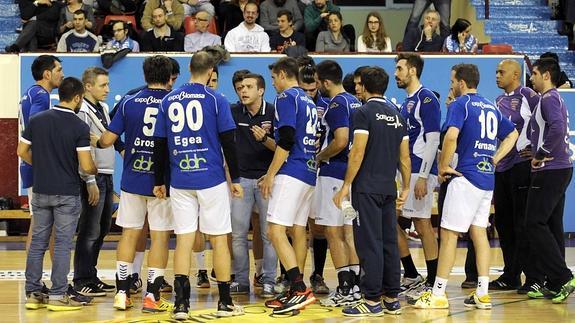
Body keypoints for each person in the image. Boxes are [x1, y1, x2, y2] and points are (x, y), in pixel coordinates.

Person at [414, 63, 518, 309]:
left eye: (452, 81)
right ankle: (482, 293)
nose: (451, 85)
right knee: (479, 233)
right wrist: (494, 158)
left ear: (461, 82)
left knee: (448, 234)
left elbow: (450, 137)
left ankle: (437, 293)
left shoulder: (461, 104)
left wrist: (442, 166)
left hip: (465, 176)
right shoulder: (491, 105)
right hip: (486, 179)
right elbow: (512, 135)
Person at [153, 51, 245, 319]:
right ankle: (225, 303)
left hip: (180, 179)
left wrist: (159, 181)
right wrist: (236, 180)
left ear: (189, 68)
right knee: (218, 241)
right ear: (210, 72)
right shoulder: (216, 99)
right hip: (211, 178)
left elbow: (160, 144)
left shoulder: (169, 99)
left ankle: (181, 305)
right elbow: (229, 141)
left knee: (183, 240)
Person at [94, 56, 175, 312]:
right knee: (160, 237)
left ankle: (122, 293)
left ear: (145, 75)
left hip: (132, 178)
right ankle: (152, 295)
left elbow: (108, 140)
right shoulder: (173, 102)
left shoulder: (129, 101)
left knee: (129, 234)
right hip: (162, 182)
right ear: (170, 77)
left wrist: (95, 140)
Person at [333, 66, 409, 316]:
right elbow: (404, 157)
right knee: (389, 242)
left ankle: (373, 300)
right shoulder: (398, 114)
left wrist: (345, 186)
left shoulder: (364, 112)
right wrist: (406, 186)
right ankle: (392, 298)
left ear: (364, 86)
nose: (356, 88)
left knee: (369, 243)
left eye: (358, 84)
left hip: (366, 188)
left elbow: (358, 151)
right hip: (389, 186)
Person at [20, 76, 97, 311]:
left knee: (38, 244)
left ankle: (33, 293)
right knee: (62, 244)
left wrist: (42, 166)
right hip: (67, 192)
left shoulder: (37, 120)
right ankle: (57, 295)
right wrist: (94, 168)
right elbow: (85, 166)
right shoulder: (79, 126)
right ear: (77, 98)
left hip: (41, 190)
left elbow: (21, 150)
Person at [259, 57, 317, 314]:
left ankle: (299, 288)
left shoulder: (286, 98)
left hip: (292, 170)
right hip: (309, 172)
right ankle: (297, 290)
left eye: (273, 78)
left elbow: (287, 139)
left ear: (283, 74)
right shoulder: (308, 99)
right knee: (296, 230)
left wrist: (271, 174)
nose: (273, 84)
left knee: (275, 231)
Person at [524, 58, 575, 303]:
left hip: (550, 168)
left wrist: (540, 154)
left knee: (533, 223)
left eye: (534, 73)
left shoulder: (548, 98)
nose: (530, 77)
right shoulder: (553, 98)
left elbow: (556, 128)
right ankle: (557, 281)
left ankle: (562, 277)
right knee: (552, 225)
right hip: (560, 168)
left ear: (546, 75)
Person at [313, 60, 362, 308]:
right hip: (351, 174)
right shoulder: (355, 100)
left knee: (333, 231)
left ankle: (344, 286)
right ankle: (355, 285)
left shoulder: (335, 104)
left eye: (318, 82)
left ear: (326, 82)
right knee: (348, 231)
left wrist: (320, 156)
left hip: (334, 174)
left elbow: (341, 140)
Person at [394, 53, 440, 302]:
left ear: (412, 70)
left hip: (421, 171)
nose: (396, 73)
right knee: (393, 221)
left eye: (400, 68)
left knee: (422, 225)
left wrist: (423, 176)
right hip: (408, 172)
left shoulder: (427, 98)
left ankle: (432, 282)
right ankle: (411, 274)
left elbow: (433, 138)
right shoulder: (406, 102)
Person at [491, 59, 540, 292]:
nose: (497, 75)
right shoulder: (498, 100)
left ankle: (532, 277)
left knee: (522, 223)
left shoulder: (528, 95)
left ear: (516, 74)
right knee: (503, 222)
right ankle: (510, 274)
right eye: (496, 72)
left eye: (502, 72)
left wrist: (537, 148)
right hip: (502, 167)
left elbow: (546, 122)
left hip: (521, 165)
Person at [230, 73, 278, 298]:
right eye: (240, 88)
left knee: (269, 234)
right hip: (241, 181)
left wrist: (264, 139)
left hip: (266, 180)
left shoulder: (273, 112)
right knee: (238, 234)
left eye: (249, 87)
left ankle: (268, 279)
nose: (243, 91)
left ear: (261, 90)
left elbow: (282, 148)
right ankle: (240, 280)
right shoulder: (233, 111)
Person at [73, 67, 117, 297]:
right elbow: (83, 147)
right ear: (88, 86)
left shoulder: (105, 108)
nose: (108, 89)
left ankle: (91, 274)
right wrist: (89, 178)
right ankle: (81, 279)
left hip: (107, 173)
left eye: (108, 85)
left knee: (102, 229)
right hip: (94, 176)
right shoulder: (82, 111)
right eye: (103, 85)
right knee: (89, 230)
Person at [20, 55, 63, 260]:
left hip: (30, 164)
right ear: (47, 74)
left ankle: (56, 276)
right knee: (39, 225)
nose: (62, 75)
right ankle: (33, 278)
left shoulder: (29, 92)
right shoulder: (41, 95)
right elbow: (34, 126)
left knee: (44, 223)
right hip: (36, 166)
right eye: (58, 70)